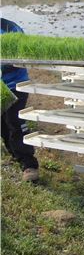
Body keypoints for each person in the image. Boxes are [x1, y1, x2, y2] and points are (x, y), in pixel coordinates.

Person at [1, 18, 39, 182]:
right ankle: (15, 155)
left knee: (14, 122)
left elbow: (23, 53)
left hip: (15, 84)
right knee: (2, 125)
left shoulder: (10, 27)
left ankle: (29, 165)